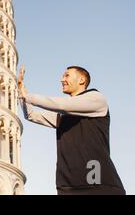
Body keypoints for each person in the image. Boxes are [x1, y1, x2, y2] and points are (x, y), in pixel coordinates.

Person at [18, 64, 125, 195]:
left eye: (67, 75)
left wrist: (29, 97)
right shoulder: (64, 116)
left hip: (96, 183)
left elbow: (63, 105)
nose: (62, 79)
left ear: (81, 80)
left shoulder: (97, 99)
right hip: (68, 187)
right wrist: (21, 92)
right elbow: (31, 115)